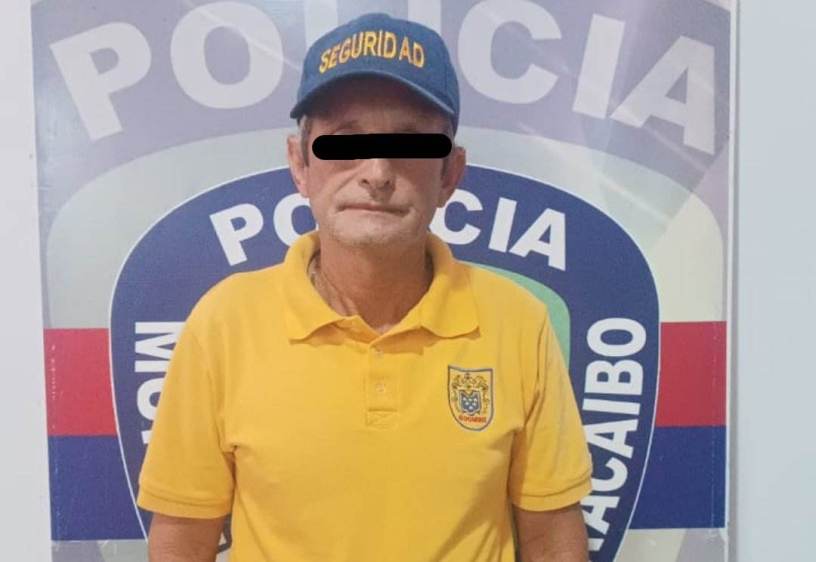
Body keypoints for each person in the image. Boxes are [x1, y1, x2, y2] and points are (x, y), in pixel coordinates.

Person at [137, 12, 592, 562]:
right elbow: (183, 542)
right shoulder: (224, 323)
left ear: (449, 174)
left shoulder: (517, 322)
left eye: (410, 144)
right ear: (299, 164)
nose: (377, 171)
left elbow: (551, 540)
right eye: (344, 142)